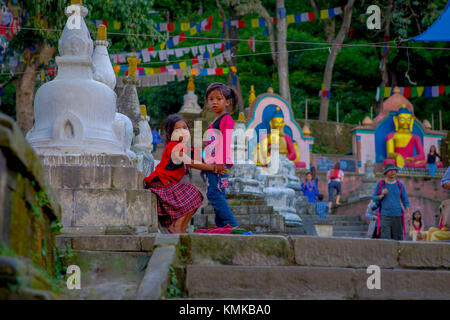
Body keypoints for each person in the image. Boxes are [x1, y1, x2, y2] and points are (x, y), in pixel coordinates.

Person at [143, 115, 216, 233]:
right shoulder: (173, 146)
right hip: (160, 184)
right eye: (177, 130)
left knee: (196, 197)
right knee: (192, 192)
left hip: (169, 185)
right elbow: (190, 162)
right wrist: (212, 168)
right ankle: (176, 227)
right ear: (171, 134)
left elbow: (201, 160)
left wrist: (217, 164)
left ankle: (181, 228)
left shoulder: (189, 149)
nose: (182, 132)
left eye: (185, 128)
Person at [203, 82, 239, 228]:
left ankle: (232, 225)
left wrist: (219, 161)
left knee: (214, 193)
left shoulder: (227, 119)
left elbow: (225, 140)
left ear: (227, 102)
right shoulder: (214, 122)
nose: (214, 102)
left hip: (220, 164)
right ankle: (222, 227)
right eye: (211, 99)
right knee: (217, 194)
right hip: (211, 165)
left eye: (219, 98)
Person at [372, 163, 411, 240]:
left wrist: (408, 213)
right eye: (390, 171)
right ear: (386, 173)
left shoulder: (400, 185)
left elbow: (405, 199)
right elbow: (374, 197)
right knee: (385, 239)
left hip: (398, 215)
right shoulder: (381, 184)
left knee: (398, 238)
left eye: (394, 171)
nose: (393, 173)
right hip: (385, 215)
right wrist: (381, 195)